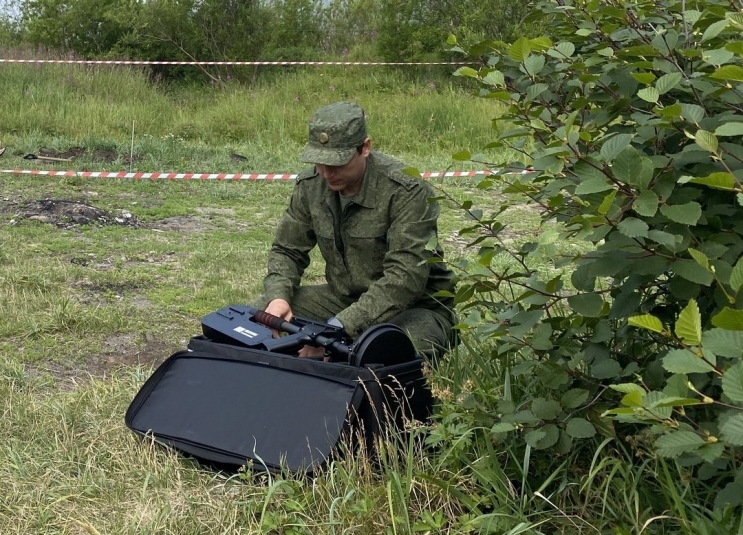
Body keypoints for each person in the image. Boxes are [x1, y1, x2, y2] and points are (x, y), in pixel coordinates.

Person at [260, 101, 457, 362]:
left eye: (338, 163)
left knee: (385, 356)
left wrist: (334, 332)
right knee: (256, 316)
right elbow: (287, 250)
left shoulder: (406, 192)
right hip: (343, 300)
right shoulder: (311, 185)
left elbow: (404, 279)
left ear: (365, 148)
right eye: (319, 162)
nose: (327, 173)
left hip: (416, 308)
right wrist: (278, 298)